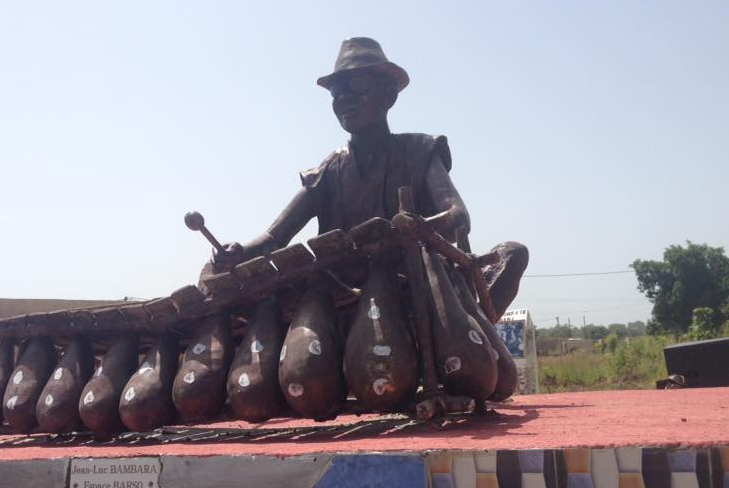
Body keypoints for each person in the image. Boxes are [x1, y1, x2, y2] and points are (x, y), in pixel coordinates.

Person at [207, 37, 528, 317]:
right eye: (337, 91)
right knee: (215, 277)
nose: (344, 98)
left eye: (356, 86)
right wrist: (239, 252)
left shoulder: (420, 150)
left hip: (416, 280)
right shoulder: (329, 170)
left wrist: (418, 227)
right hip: (344, 291)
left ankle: (473, 340)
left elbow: (459, 216)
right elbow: (276, 238)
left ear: (389, 94)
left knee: (512, 253)